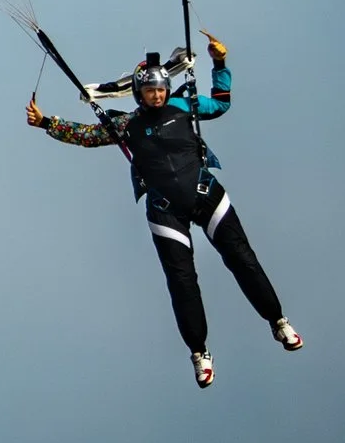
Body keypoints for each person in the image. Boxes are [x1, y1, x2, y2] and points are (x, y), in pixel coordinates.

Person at [26, 29, 302, 387]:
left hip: (206, 193)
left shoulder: (184, 106)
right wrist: (46, 123)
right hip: (165, 209)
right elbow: (87, 136)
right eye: (149, 91)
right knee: (182, 281)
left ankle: (278, 322)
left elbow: (221, 102)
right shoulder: (127, 124)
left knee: (242, 258)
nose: (156, 95)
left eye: (160, 89)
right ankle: (200, 353)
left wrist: (220, 63)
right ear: (139, 94)